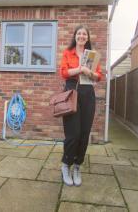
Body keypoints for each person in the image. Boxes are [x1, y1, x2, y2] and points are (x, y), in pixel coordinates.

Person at [60, 25, 102, 186]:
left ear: (87, 37)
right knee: (73, 133)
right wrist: (80, 69)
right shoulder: (67, 53)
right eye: (79, 33)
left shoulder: (92, 55)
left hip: (87, 93)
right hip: (71, 92)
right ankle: (66, 165)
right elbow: (63, 72)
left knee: (84, 133)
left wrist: (89, 72)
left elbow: (99, 76)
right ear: (75, 36)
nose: (82, 36)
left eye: (84, 34)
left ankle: (77, 166)